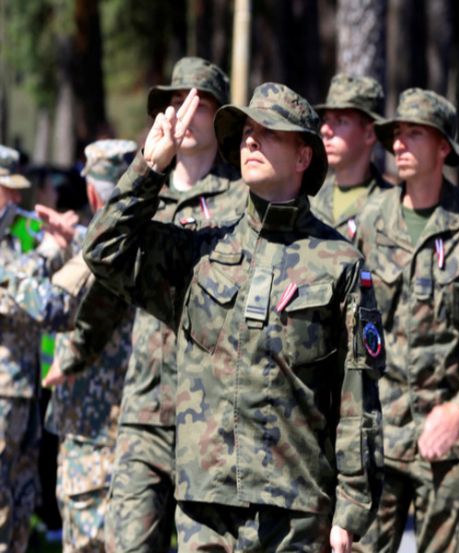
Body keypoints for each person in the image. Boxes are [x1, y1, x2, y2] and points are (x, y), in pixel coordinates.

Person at [83, 84, 384, 552]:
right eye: (246, 131)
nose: (251, 140)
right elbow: (104, 251)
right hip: (207, 508)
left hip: (295, 511)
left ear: (303, 156)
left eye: (269, 132)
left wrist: (352, 510)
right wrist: (150, 167)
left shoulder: (339, 263)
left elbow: (357, 398)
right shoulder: (200, 251)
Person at [63, 57, 246, 553]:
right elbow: (106, 275)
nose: (185, 112)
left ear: (219, 116)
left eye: (199, 103)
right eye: (175, 101)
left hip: (212, 416)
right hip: (145, 409)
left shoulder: (240, 198)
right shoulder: (144, 191)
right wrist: (77, 351)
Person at [352, 88, 459, 553]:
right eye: (396, 134)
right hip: (379, 435)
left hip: (449, 440)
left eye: (415, 134)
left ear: (443, 147)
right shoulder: (371, 221)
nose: (399, 144)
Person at [5, 139, 137, 552]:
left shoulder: (99, 249)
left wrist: (44, 253)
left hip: (92, 426)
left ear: (93, 192)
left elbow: (48, 305)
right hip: (132, 423)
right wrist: (72, 235)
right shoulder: (148, 238)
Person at [0, 145, 78, 552]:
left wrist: (62, 247)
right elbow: (29, 298)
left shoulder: (15, 244)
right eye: (7, 190)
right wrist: (50, 250)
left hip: (23, 394)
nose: (16, 199)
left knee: (21, 502)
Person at [312, 74, 391, 241]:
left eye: (340, 121)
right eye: (326, 119)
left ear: (369, 134)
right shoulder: (309, 199)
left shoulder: (392, 206)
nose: (325, 129)